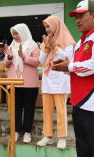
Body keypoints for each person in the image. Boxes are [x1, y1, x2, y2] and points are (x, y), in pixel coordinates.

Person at [52, 0, 94, 156]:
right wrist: (65, 66)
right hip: (79, 104)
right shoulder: (81, 41)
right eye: (76, 17)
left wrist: (69, 66)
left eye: (81, 16)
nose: (77, 21)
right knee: (83, 149)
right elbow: (76, 67)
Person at [36, 15, 76, 149]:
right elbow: (41, 60)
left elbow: (68, 58)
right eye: (45, 27)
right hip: (48, 78)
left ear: (56, 25)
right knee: (47, 110)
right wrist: (47, 47)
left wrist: (55, 47)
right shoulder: (45, 40)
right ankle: (47, 136)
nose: (47, 29)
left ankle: (62, 137)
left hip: (61, 79)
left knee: (61, 110)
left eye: (49, 26)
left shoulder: (68, 40)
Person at [4, 23, 40, 143]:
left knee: (29, 108)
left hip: (29, 83)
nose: (14, 36)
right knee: (15, 108)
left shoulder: (33, 45)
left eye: (17, 33)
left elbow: (37, 62)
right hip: (14, 82)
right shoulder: (12, 46)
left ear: (23, 32)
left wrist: (24, 57)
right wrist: (9, 57)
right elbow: (5, 64)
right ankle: (15, 131)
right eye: (13, 34)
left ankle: (27, 132)